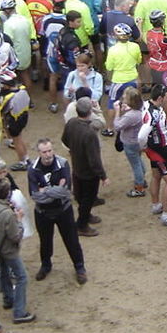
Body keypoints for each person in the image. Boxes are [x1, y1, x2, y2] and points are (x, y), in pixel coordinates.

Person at [26, 138, 88, 285]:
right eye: (44, 152)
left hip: (63, 210)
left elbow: (66, 192)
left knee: (72, 240)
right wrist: (55, 190)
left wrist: (45, 190)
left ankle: (79, 267)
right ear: (39, 153)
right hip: (43, 212)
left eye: (50, 151)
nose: (48, 155)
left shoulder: (62, 164)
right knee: (45, 241)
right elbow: (35, 196)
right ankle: (46, 265)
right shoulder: (33, 169)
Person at [0, 178, 34, 325]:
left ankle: (8, 298)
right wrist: (19, 220)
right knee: (21, 277)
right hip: (9, 250)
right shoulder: (8, 214)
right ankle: (19, 312)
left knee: (3, 272)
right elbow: (16, 236)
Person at [61, 96, 109, 236]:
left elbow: (64, 139)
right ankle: (82, 225)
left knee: (80, 195)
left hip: (77, 166)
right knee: (88, 198)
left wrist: (74, 150)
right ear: (89, 112)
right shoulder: (89, 133)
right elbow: (94, 159)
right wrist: (103, 176)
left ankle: (86, 217)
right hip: (89, 172)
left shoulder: (71, 123)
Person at [141, 85, 167, 229]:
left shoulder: (147, 105)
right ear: (160, 98)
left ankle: (156, 204)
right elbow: (142, 134)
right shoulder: (155, 114)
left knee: (156, 175)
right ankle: (166, 214)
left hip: (155, 149)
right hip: (160, 150)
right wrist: (143, 145)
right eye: (166, 97)